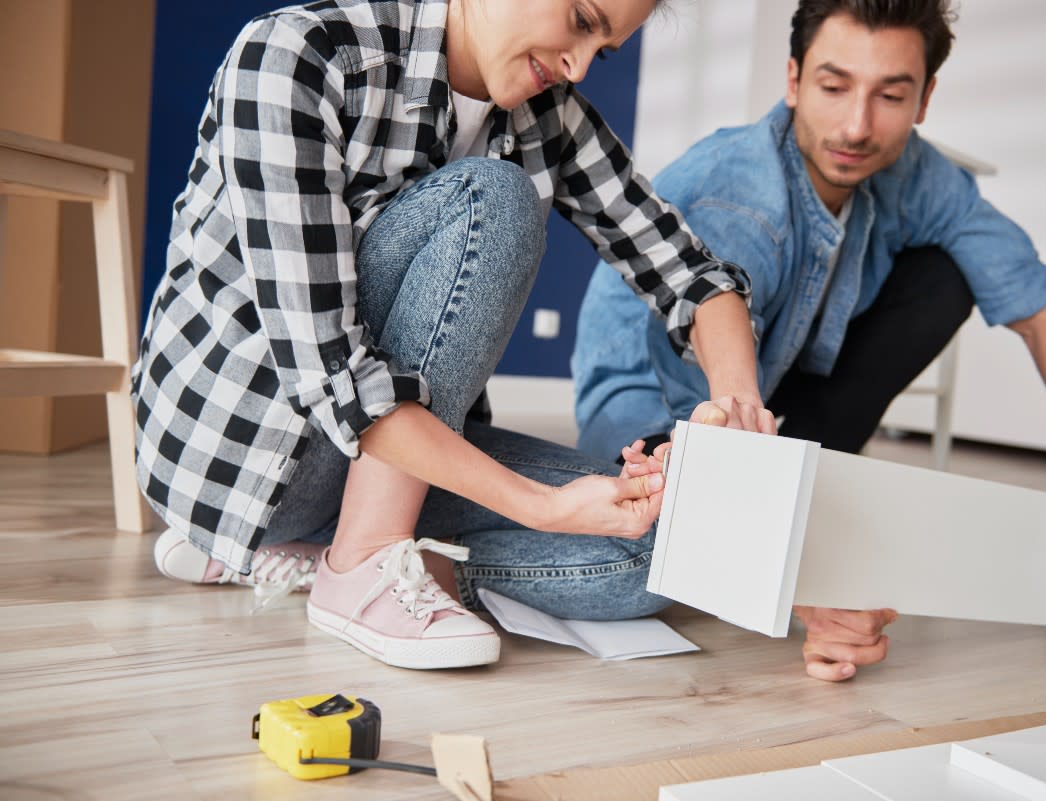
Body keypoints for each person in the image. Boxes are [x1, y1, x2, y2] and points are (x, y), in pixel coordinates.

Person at [136, 0, 770, 671]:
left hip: (385, 459)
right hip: (250, 458)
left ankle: (314, 557)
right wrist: (543, 507)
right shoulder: (299, 55)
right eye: (583, 20)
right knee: (492, 199)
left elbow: (692, 275)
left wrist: (737, 406)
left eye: (603, 49)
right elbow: (333, 378)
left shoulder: (551, 116)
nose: (580, 66)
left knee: (654, 545)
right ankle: (359, 563)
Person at [572, 0, 1046, 681]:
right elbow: (711, 435)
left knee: (947, 274)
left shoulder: (918, 174)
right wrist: (800, 582)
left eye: (890, 96)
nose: (856, 127)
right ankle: (800, 515)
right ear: (794, 80)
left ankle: (811, 496)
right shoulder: (740, 200)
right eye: (834, 87)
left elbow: (1041, 309)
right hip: (659, 415)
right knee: (645, 558)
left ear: (924, 99)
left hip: (772, 397)